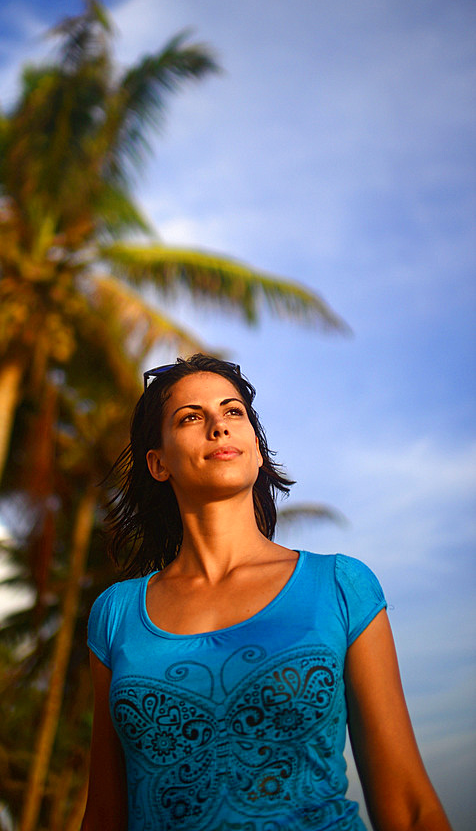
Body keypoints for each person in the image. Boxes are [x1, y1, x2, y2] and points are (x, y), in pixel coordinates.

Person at [81, 354, 451, 831]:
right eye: (191, 417)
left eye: (232, 412)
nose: (218, 425)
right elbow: (106, 815)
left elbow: (408, 805)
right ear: (158, 463)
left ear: (256, 448)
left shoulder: (340, 586)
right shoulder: (116, 615)